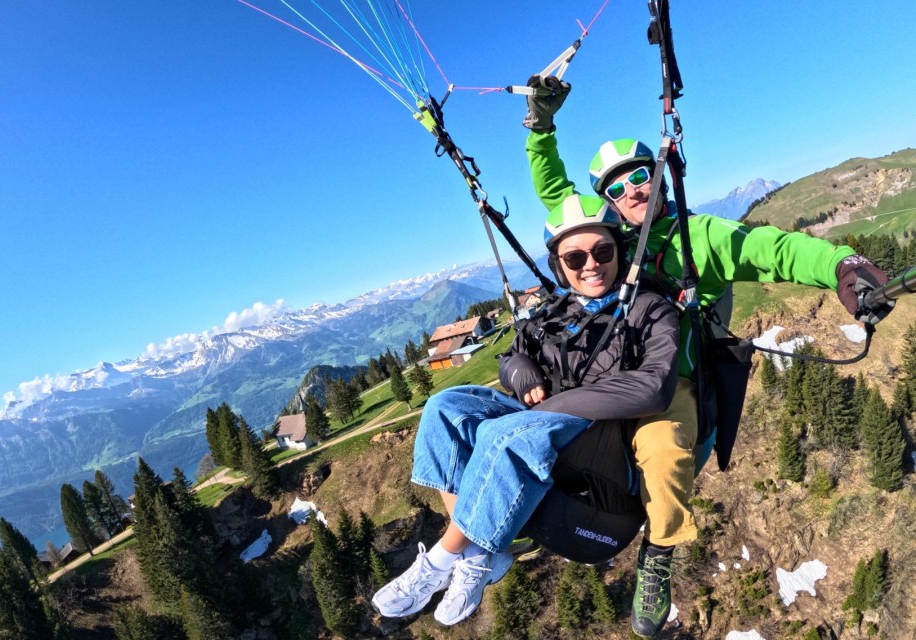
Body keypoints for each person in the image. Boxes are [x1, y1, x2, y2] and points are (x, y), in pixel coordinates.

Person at [521, 75, 895, 638]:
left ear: (659, 178)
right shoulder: (605, 242)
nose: (632, 192)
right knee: (528, 426)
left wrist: (841, 264)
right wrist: (540, 129)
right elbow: (553, 191)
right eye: (617, 189)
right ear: (608, 202)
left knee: (667, 451)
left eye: (641, 177)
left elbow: (771, 250)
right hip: (601, 375)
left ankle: (660, 551)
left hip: (672, 381)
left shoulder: (698, 237)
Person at [371, 194, 680, 627]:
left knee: (504, 435)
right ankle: (480, 551)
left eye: (602, 251)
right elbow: (514, 356)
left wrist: (551, 407)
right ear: (560, 266)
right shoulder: (557, 310)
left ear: (619, 252)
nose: (590, 264)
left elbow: (654, 387)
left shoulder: (648, 309)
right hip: (546, 426)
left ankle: (444, 559)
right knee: (445, 407)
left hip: (602, 445)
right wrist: (519, 373)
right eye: (575, 257)